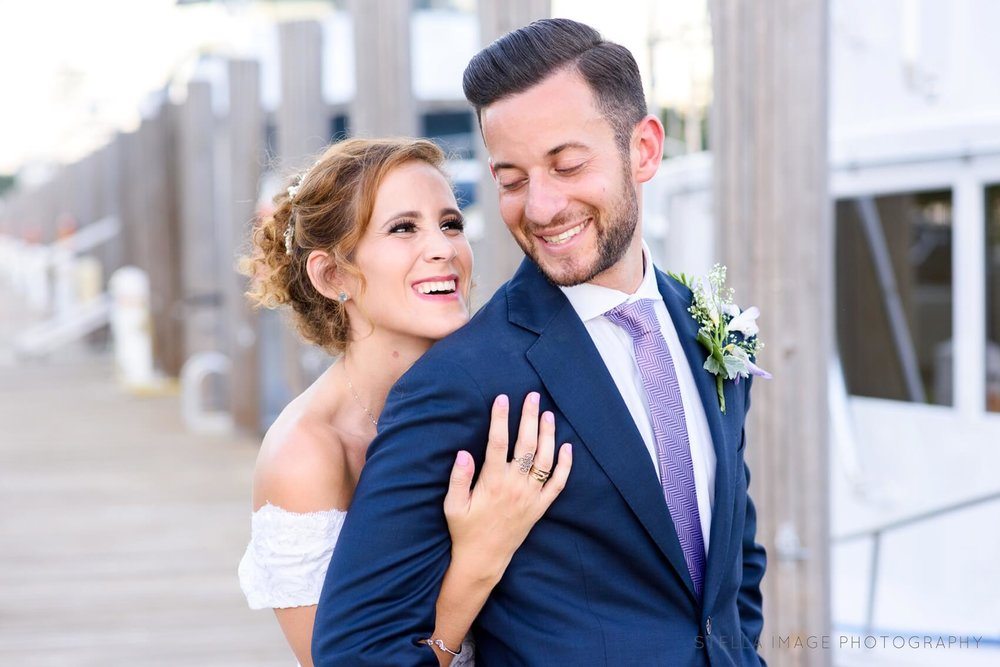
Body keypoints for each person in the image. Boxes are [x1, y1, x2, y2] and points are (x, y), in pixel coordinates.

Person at [312, 18, 767, 666]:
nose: (542, 206)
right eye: (511, 178)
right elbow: (357, 651)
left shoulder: (707, 328)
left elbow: (735, 562)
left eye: (567, 164)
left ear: (644, 149)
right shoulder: (462, 379)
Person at [237, 137, 572, 667]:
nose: (443, 248)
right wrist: (480, 558)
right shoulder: (304, 457)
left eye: (451, 223)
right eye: (403, 228)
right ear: (332, 275)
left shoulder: (498, 392)